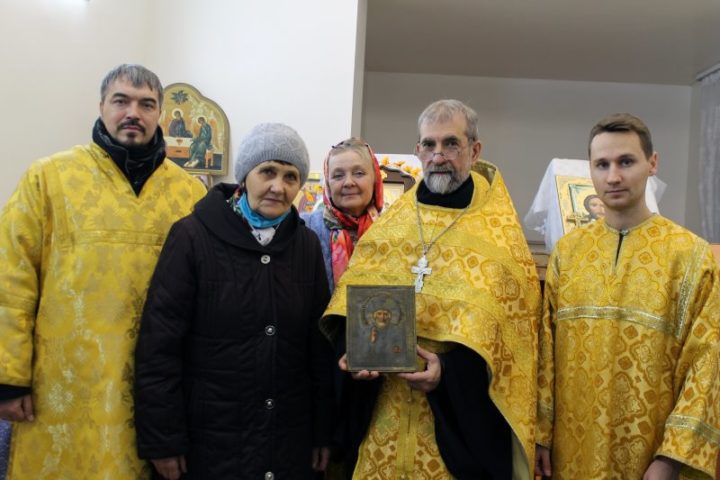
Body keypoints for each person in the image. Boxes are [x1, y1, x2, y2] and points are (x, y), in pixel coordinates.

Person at [0, 64, 207, 479]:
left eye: (146, 104)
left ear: (160, 113)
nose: (133, 113)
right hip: (63, 382)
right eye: (121, 101)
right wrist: (9, 376)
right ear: (101, 107)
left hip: (156, 383)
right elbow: (12, 278)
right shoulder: (49, 177)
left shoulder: (190, 192)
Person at [320, 99, 541, 479]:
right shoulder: (390, 226)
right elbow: (351, 311)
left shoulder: (500, 238)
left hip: (454, 438)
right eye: (429, 144)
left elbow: (513, 348)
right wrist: (352, 356)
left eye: (451, 144)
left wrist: (448, 373)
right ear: (418, 150)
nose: (438, 156)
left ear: (475, 150)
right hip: (383, 423)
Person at [134, 123, 335, 480]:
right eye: (268, 171)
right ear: (245, 174)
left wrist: (323, 431)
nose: (279, 187)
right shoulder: (192, 237)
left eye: (291, 176)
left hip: (288, 440)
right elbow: (159, 347)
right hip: (212, 442)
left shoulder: (304, 245)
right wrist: (163, 440)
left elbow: (318, 347)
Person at [535, 113, 720, 479]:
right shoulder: (567, 254)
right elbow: (546, 352)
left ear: (652, 163)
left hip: (650, 457)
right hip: (573, 453)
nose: (613, 177)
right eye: (602, 164)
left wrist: (671, 458)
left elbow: (707, 363)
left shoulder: (690, 257)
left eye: (626, 162)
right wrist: (542, 436)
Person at [301, 137, 384, 292]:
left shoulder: (393, 228)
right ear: (327, 183)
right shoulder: (304, 228)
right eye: (338, 176)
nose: (348, 182)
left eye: (359, 173)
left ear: (375, 179)